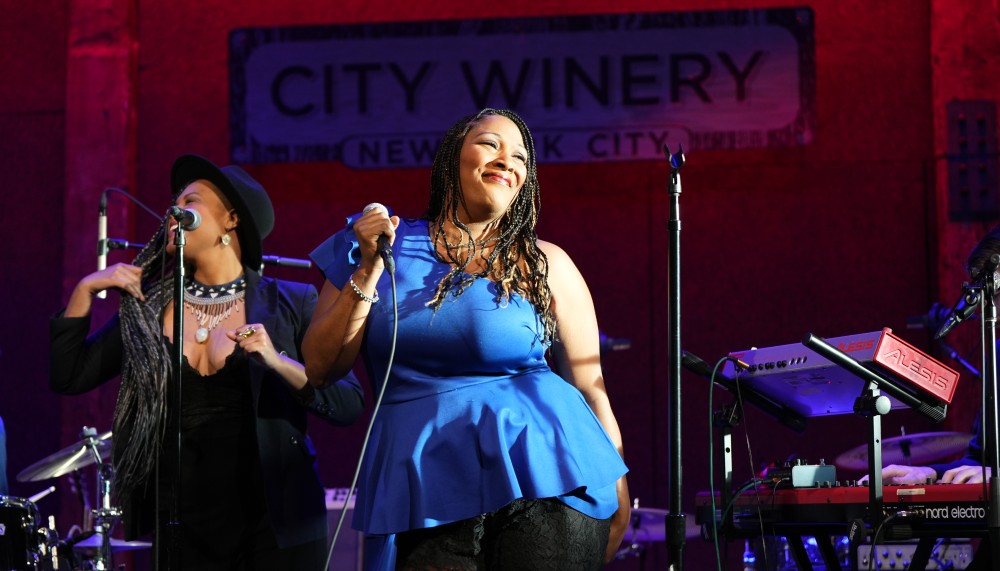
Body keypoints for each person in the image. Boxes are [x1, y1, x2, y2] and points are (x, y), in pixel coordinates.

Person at [303, 108, 630, 570]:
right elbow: (320, 366)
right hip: (424, 480)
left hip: (550, 467)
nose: (507, 159)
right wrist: (369, 268)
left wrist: (617, 477)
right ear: (453, 158)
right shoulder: (379, 244)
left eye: (520, 156)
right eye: (490, 143)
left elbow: (590, 387)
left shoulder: (545, 263)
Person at [49, 155, 365, 569]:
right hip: (181, 520)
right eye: (173, 204)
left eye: (190, 200)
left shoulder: (290, 301)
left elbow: (349, 404)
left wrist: (278, 360)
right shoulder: (152, 310)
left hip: (272, 517)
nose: (173, 213)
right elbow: (70, 374)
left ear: (231, 220)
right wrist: (85, 289)